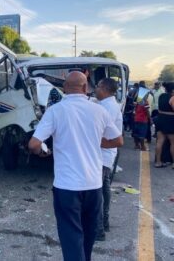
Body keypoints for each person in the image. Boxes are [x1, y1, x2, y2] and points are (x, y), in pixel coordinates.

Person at [28, 71, 123, 261]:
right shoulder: (99, 110)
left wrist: (42, 152)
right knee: (88, 237)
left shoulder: (55, 111)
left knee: (71, 237)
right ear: (85, 88)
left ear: (64, 89)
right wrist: (97, 142)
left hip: (67, 187)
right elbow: (118, 140)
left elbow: (34, 144)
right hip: (93, 185)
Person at [94, 78, 123, 241]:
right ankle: (104, 223)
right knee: (103, 189)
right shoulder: (109, 105)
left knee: (96, 192)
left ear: (104, 88)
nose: (95, 89)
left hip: (104, 154)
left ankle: (98, 229)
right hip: (107, 153)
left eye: (97, 86)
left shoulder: (106, 107)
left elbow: (103, 132)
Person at [154, 82, 174, 168]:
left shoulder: (161, 96)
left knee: (159, 142)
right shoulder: (173, 98)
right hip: (170, 121)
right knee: (173, 143)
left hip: (160, 119)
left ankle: (158, 162)